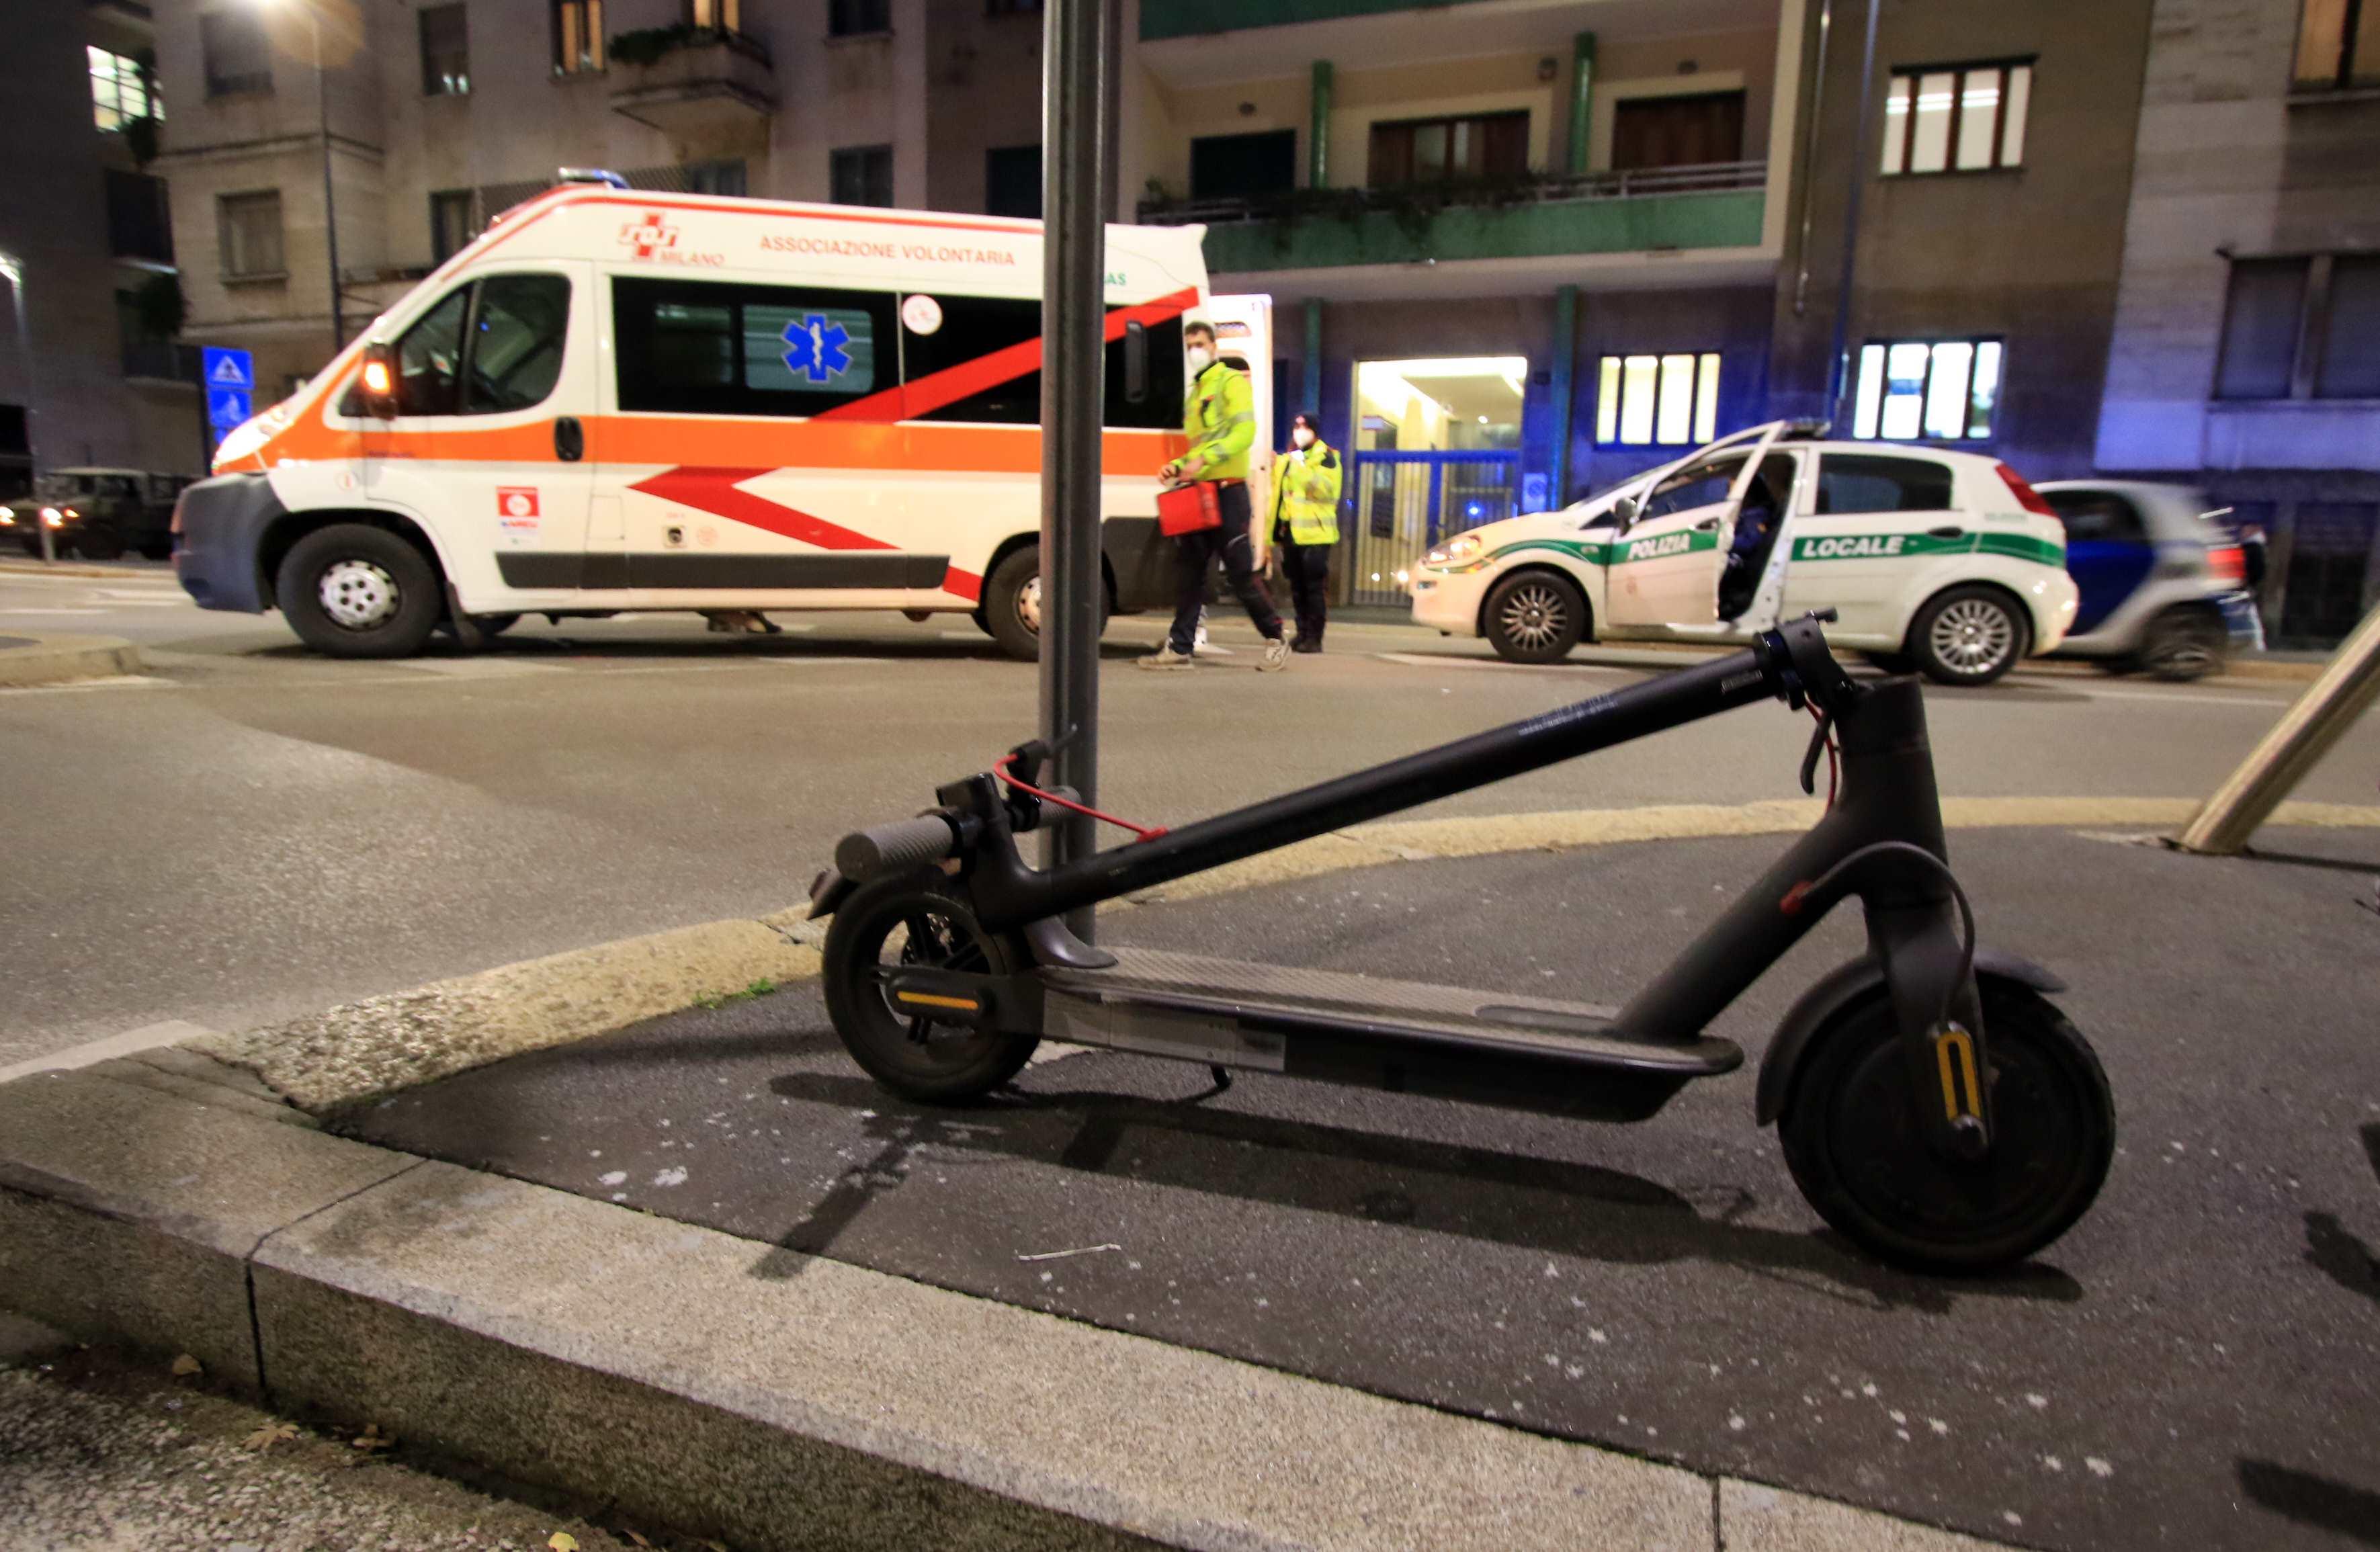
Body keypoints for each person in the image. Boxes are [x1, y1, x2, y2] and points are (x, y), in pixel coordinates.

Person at [1139, 322, 1289, 673]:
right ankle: (1179, 648)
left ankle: (1277, 637)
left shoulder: (1230, 382)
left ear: (1214, 346)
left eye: (1200, 343)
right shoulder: (1196, 393)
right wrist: (1176, 467)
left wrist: (1206, 459)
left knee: (1240, 575)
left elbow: (1244, 433)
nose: (1194, 349)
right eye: (1189, 344)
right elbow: (1198, 447)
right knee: (1190, 574)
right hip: (1201, 494)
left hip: (1229, 494)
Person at [1271, 411, 1341, 652]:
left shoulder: (1327, 458)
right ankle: (1302, 633)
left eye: (1304, 426)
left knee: (1313, 589)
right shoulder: (1291, 458)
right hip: (1292, 534)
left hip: (1317, 536)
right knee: (1297, 588)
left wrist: (1299, 466)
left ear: (1314, 430)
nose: (1299, 430)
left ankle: (1315, 638)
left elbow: (1327, 491)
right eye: (1296, 425)